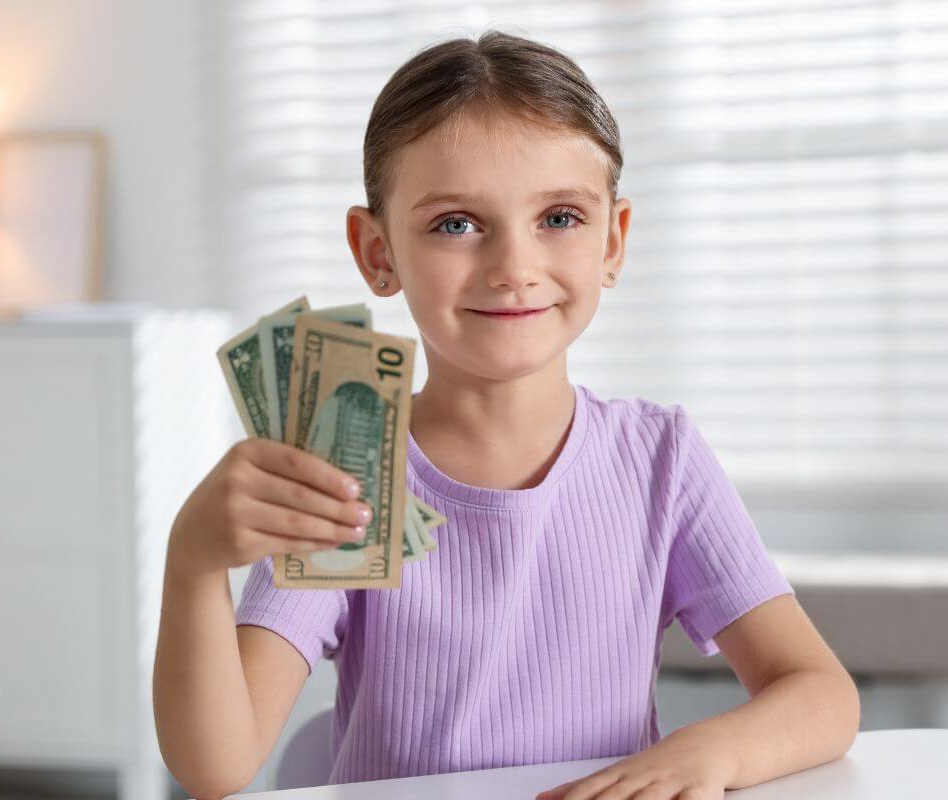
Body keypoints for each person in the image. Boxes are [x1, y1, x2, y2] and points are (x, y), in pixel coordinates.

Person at [154, 29, 859, 800]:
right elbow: (216, 767)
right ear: (377, 253)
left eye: (559, 218)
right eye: (456, 223)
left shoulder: (662, 460)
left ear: (613, 241)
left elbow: (820, 693)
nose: (514, 269)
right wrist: (193, 563)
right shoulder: (348, 471)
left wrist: (710, 754)